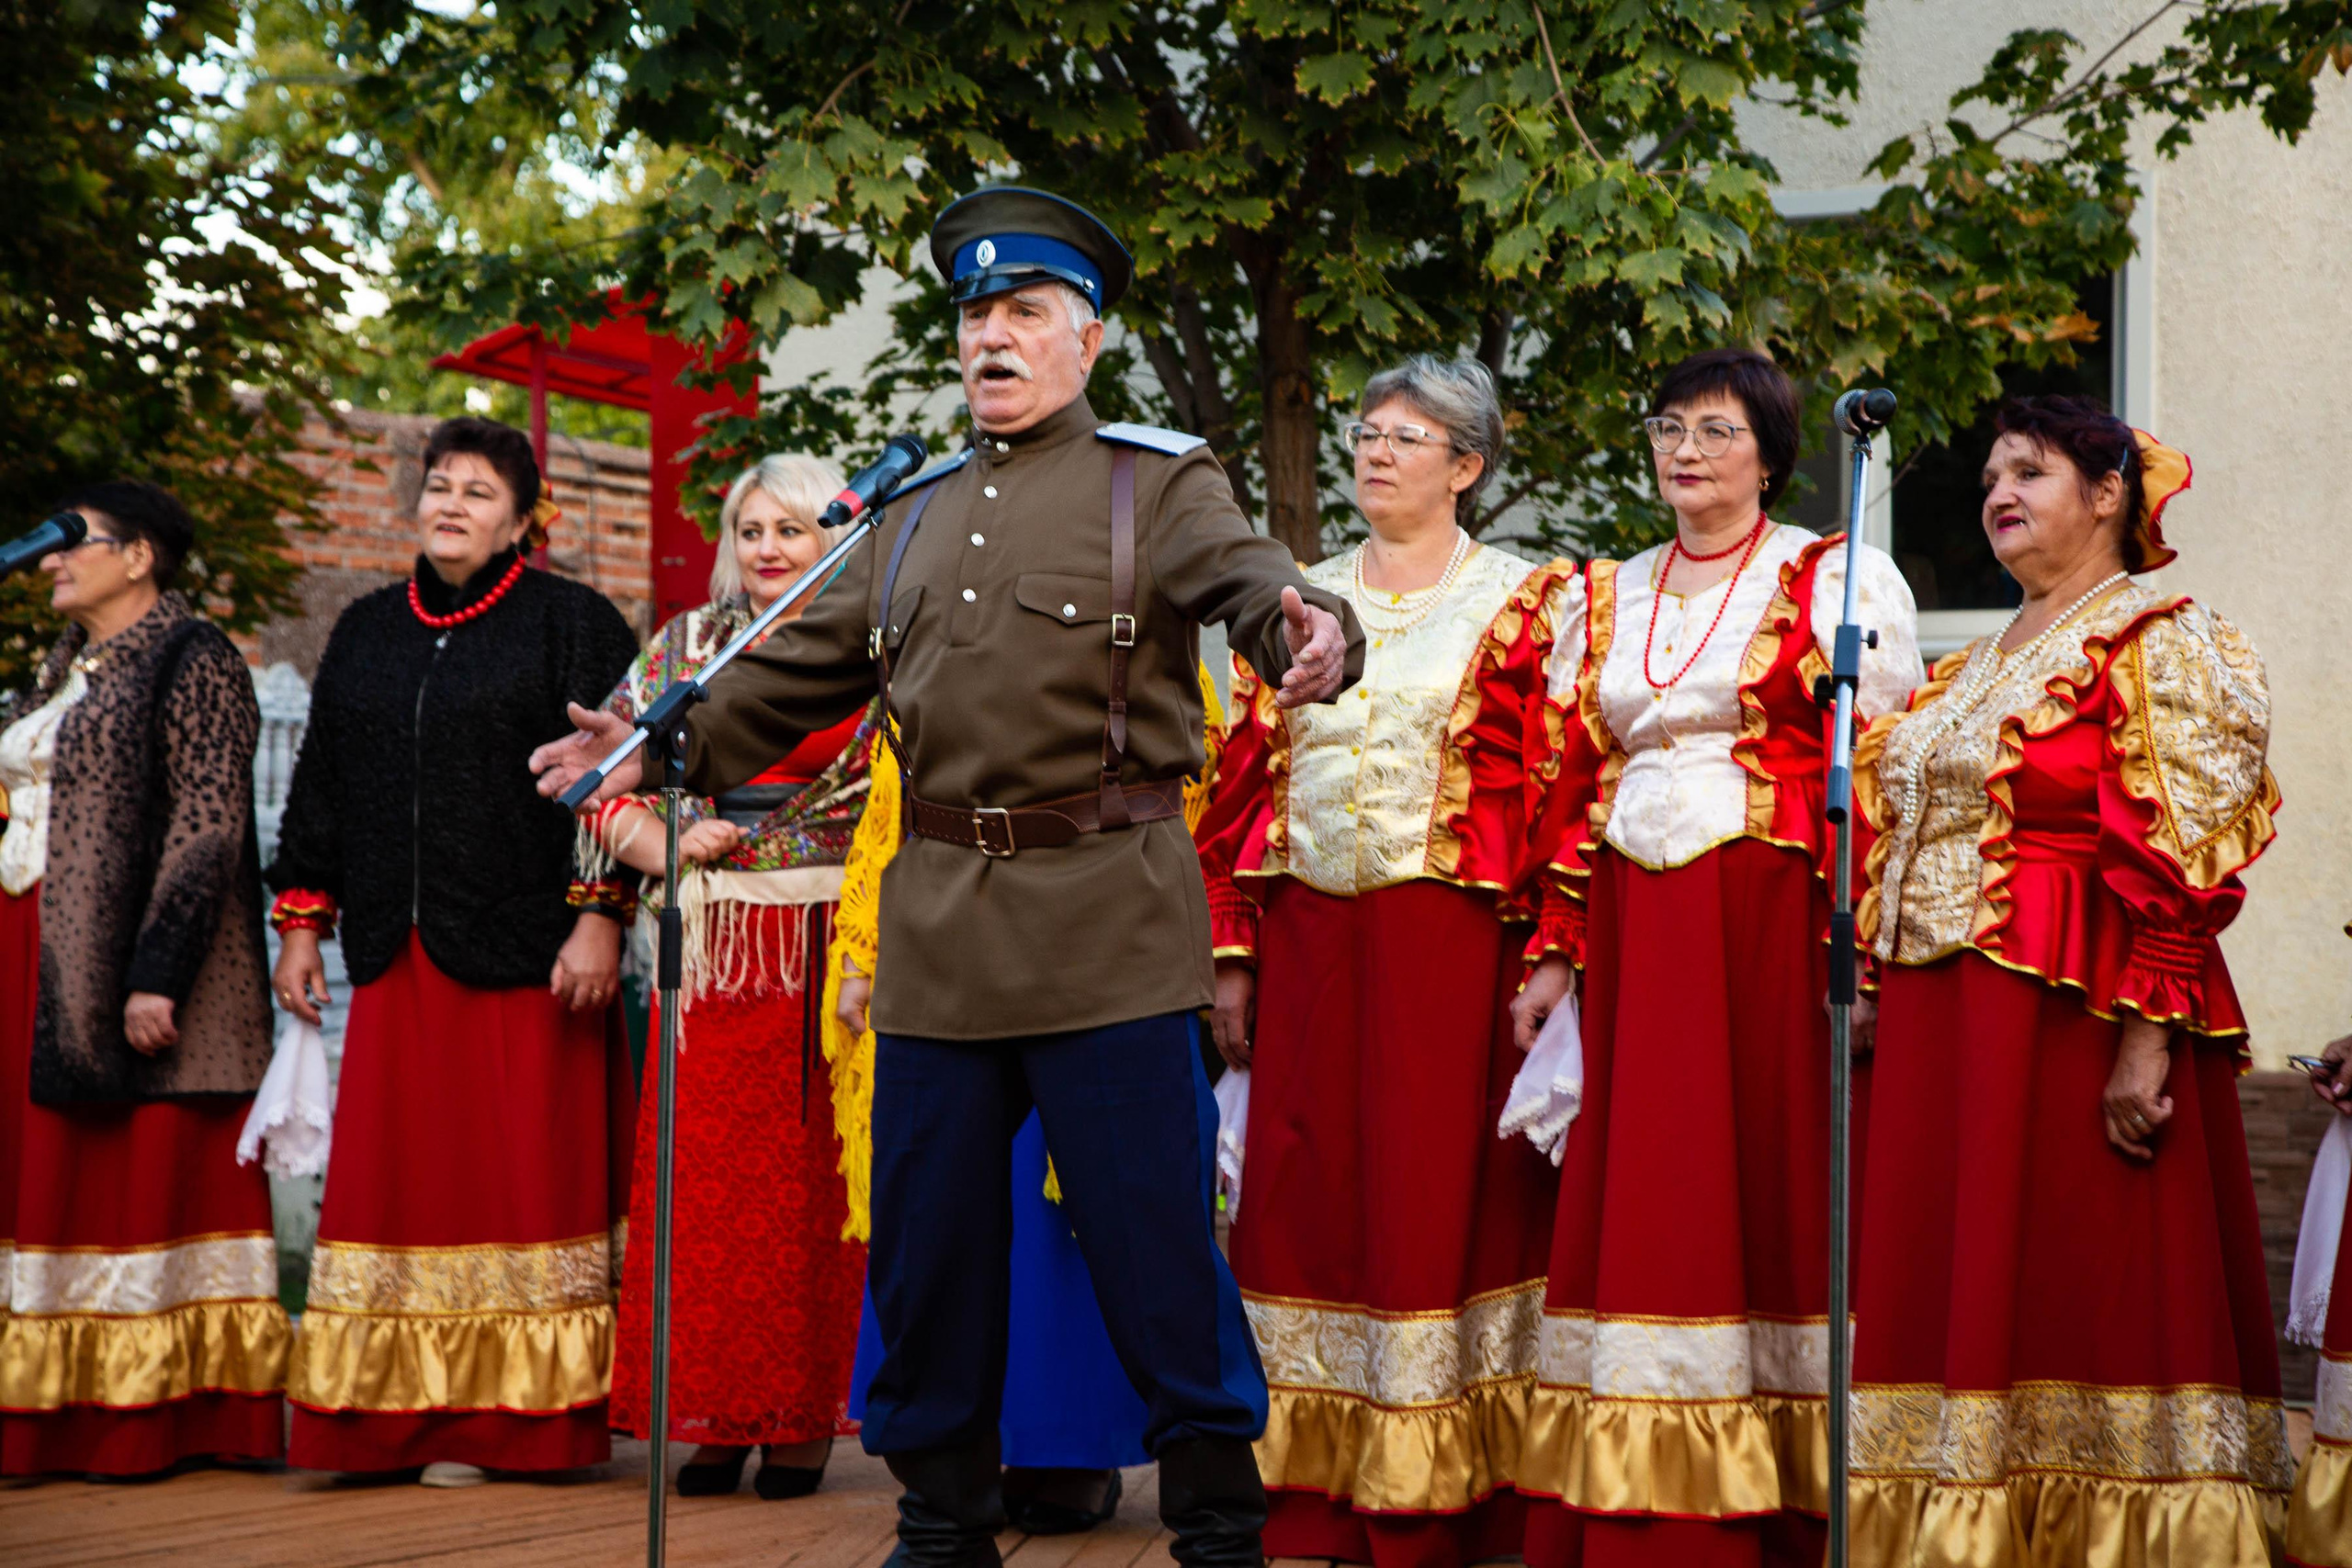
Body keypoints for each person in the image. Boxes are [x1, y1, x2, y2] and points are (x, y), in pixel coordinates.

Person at [534, 185, 1362, 1567]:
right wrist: (653, 740)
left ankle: (1219, 1526)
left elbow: (1259, 588)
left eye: (1024, 312)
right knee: (930, 1255)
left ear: (1085, 341)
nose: (993, 335)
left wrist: (1308, 630)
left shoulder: (1154, 479)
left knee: (1154, 1250)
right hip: (937, 932)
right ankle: (939, 1525)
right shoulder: (907, 509)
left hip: (1105, 917)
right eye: (976, 313)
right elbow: (789, 673)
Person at [1848, 397, 2290, 1566]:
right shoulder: (1968, 668)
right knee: (1956, 1282)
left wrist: (2147, 1035)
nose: (1999, 492)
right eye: (1991, 474)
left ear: (2107, 496)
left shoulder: (2159, 637)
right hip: (1950, 1027)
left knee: (2085, 1279)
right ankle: (1961, 1530)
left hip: (2075, 1009)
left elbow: (2189, 847)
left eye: (2030, 472)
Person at [1511, 348, 1923, 1568]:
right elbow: (1566, 780)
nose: (1685, 448)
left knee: (1766, 1172)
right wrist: (1555, 949)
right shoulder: (1602, 590)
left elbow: (1887, 767)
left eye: (1716, 429)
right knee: (1648, 1173)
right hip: (1638, 917)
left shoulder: (1835, 573)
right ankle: (1643, 1496)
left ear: (1773, 451)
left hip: (1767, 910)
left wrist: (1871, 953)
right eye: (1668, 425)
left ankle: (1787, 1494)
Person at [1193, 355, 1572, 1567]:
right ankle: (1307, 1485)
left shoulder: (1530, 598)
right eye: (1367, 432)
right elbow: (1243, 784)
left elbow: (1561, 777)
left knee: (1435, 1192)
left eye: (1409, 437)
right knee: (1306, 1196)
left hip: (1454, 941)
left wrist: (1553, 951)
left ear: (1468, 465)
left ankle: (1447, 1486)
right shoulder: (1291, 600)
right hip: (1307, 932)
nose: (1376, 452)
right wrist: (1234, 952)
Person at [268, 416, 641, 1484]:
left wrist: (598, 914)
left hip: (536, 956)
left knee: (515, 1185)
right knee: (403, 1186)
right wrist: (303, 924)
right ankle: (384, 1422)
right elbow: (322, 788)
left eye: (480, 492)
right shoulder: (367, 629)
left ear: (524, 519)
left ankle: (511, 1425)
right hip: (398, 958)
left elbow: (615, 785)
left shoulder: (571, 623)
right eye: (439, 485)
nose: (452, 505)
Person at [824, 656, 1229, 1534]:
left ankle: (1073, 1451)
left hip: (1097, 960)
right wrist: (863, 947)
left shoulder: (1139, 622)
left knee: (1080, 1231)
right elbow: (892, 798)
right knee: (954, 1229)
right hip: (951, 966)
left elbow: (1188, 790)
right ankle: (978, 1458)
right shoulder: (937, 635)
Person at [584, 453, 876, 1499]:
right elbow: (602, 779)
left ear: (832, 539)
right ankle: (711, 1416)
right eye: (751, 530)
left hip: (832, 942)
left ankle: (799, 1424)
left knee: (809, 1195)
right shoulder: (685, 647)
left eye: (791, 531)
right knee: (700, 1194)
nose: (767, 550)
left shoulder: (872, 645)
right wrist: (662, 837)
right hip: (708, 951)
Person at [0, 480, 290, 1477]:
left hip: (127, 960)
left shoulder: (192, 656)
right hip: (31, 950)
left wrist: (153, 972)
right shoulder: (61, 667)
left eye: (74, 542)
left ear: (140, 558)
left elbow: (208, 822)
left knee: (124, 1175)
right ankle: (42, 1409)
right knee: (35, 1177)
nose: (50, 561)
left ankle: (145, 1417)